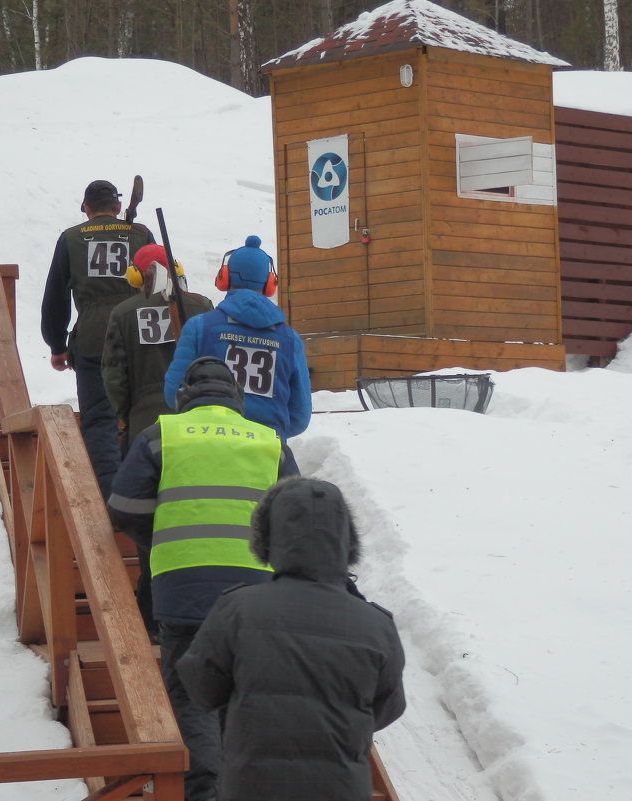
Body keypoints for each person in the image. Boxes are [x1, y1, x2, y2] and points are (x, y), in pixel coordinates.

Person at [107, 356, 299, 801]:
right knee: (247, 689)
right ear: (237, 398)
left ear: (183, 396)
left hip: (183, 583)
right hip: (255, 590)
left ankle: (202, 791)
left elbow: (123, 504)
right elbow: (295, 516)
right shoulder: (269, 441)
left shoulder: (162, 434)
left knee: (191, 691)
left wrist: (161, 538)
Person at [177, 476, 407, 801]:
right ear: (346, 541)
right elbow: (388, 707)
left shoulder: (238, 608)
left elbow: (202, 686)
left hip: (252, 786)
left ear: (269, 537)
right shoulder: (377, 624)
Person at [101, 243, 213, 633]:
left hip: (143, 427)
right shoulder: (201, 307)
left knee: (152, 515)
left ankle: (150, 611)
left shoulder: (122, 313)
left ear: (136, 276)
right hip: (198, 423)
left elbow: (114, 375)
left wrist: (124, 414)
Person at [41, 179, 153, 499]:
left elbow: (56, 299)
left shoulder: (71, 239)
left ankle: (110, 496)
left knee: (99, 421)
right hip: (139, 337)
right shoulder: (141, 234)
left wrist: (57, 344)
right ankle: (142, 493)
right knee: (141, 414)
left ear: (85, 208)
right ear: (118, 207)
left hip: (92, 340)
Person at [163, 235, 312, 442]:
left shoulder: (199, 327)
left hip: (207, 448)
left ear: (224, 277)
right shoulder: (290, 340)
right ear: (270, 283)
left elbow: (173, 395)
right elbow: (299, 417)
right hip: (267, 455)